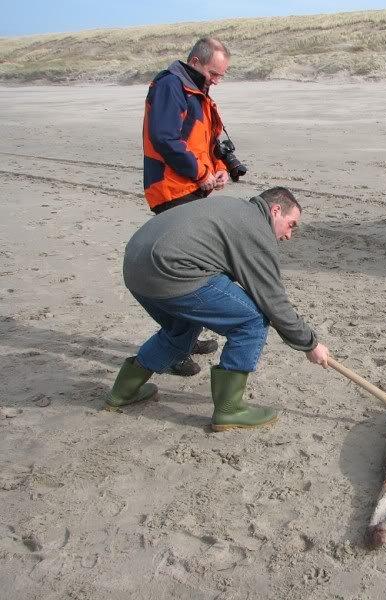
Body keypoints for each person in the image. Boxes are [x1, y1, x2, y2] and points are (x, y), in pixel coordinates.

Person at [107, 187, 330, 432]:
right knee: (252, 320)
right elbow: (272, 301)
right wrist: (309, 344)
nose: (289, 235)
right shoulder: (256, 229)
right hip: (170, 271)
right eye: (291, 225)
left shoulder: (233, 207)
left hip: (135, 267)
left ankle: (124, 391)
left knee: (180, 328)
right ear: (275, 210)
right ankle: (229, 410)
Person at [142, 37, 233, 376]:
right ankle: (174, 347)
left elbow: (203, 142)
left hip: (190, 190)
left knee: (196, 271)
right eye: (213, 73)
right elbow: (166, 138)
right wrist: (200, 173)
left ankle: (185, 336)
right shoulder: (171, 87)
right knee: (184, 277)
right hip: (171, 191)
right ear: (195, 61)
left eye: (221, 76)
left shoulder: (196, 91)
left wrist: (218, 169)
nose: (216, 81)